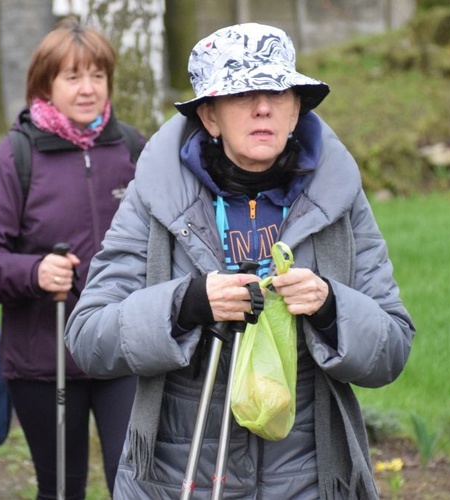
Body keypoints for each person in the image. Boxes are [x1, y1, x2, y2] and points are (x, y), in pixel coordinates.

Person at [66, 22, 416, 499]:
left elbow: (392, 347)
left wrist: (331, 306)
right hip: (177, 479)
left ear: (297, 110)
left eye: (278, 92)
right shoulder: (156, 198)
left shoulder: (338, 198)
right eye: (242, 94)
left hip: (308, 478)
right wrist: (185, 305)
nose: (263, 107)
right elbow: (88, 337)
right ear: (209, 116)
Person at [0, 18, 144, 499]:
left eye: (97, 76)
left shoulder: (132, 149)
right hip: (45, 359)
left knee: (137, 483)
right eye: (72, 77)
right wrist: (35, 271)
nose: (88, 89)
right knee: (61, 488)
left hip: (124, 354)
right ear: (46, 84)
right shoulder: (13, 158)